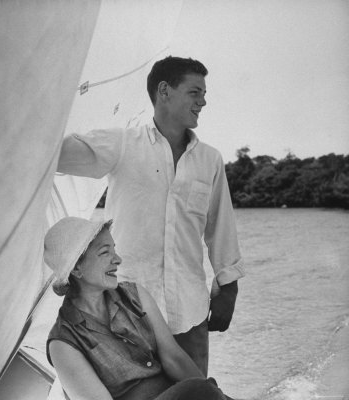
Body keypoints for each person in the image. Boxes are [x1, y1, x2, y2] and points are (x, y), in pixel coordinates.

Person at [57, 56, 245, 375]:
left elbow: (221, 229)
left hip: (190, 313)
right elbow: (50, 154)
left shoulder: (210, 160)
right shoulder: (120, 144)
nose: (203, 101)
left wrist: (229, 287)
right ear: (164, 91)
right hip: (125, 313)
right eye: (195, 92)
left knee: (195, 396)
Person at [44, 217, 231, 400]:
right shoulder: (62, 342)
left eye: (114, 250)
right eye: (104, 253)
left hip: (180, 393)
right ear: (76, 269)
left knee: (206, 389)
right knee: (200, 389)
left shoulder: (135, 295)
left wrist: (214, 394)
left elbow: (174, 358)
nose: (117, 259)